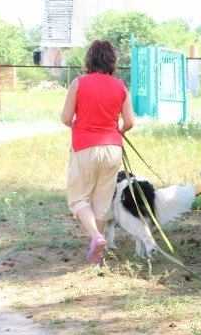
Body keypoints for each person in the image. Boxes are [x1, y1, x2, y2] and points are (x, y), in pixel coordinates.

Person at [61, 40, 135, 264]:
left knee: (78, 199)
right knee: (101, 203)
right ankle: (97, 257)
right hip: (113, 149)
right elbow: (130, 122)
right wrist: (117, 132)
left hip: (85, 147)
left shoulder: (78, 83)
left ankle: (96, 236)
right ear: (112, 62)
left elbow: (65, 118)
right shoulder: (120, 86)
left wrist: (81, 127)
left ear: (89, 60)